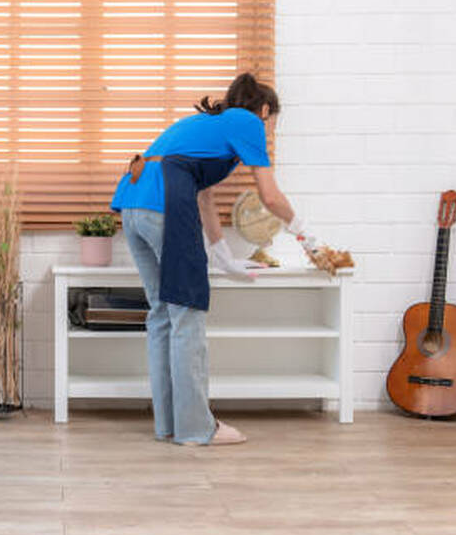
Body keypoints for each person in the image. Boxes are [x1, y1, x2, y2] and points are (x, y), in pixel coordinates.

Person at [110, 73, 320, 446]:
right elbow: (270, 196)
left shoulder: (207, 125)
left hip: (132, 205)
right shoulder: (248, 122)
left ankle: (169, 425)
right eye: (272, 125)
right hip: (164, 207)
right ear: (265, 110)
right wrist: (305, 235)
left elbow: (204, 197)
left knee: (162, 314)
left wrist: (223, 257)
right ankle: (196, 429)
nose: (268, 135)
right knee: (187, 315)